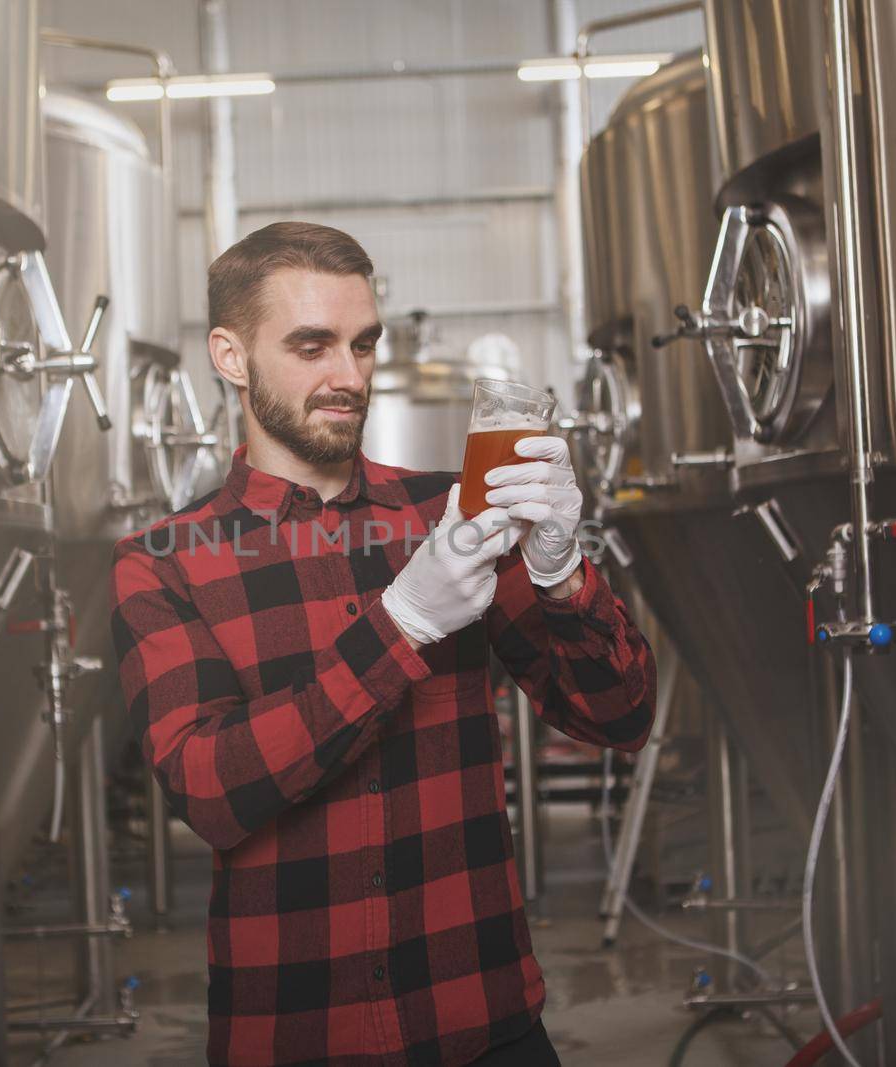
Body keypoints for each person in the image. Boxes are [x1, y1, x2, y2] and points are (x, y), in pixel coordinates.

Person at [110, 222, 656, 1066]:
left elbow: (618, 715)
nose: (349, 376)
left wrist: (559, 571)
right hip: (297, 1037)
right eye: (312, 346)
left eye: (363, 344)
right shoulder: (165, 564)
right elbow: (212, 789)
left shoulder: (452, 516)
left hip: (488, 1025)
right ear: (230, 355)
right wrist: (401, 624)